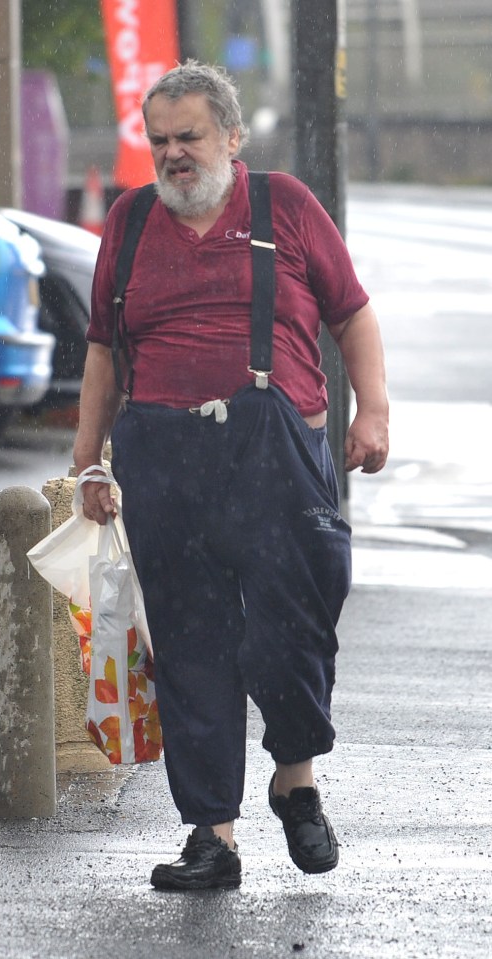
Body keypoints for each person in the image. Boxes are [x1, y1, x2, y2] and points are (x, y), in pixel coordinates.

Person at [73, 60, 389, 891]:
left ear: (232, 138)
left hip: (274, 449)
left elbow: (352, 312)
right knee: (190, 646)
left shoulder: (283, 205)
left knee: (290, 629)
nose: (174, 155)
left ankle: (295, 776)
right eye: (161, 141)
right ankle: (212, 835)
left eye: (191, 138)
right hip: (161, 454)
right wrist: (87, 464)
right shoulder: (131, 221)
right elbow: (103, 350)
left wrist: (372, 413)